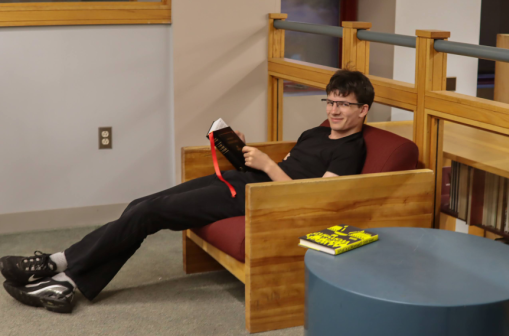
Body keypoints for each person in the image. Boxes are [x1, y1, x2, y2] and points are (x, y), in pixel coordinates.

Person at [0, 69, 374, 313]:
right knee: (141, 204)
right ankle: (64, 276)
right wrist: (238, 149)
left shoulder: (350, 149)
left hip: (263, 201)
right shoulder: (315, 132)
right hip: (250, 182)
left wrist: (267, 166)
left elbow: (311, 200)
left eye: (344, 104)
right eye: (330, 100)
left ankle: (58, 268)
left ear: (364, 110)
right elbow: (289, 170)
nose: (335, 109)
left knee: (149, 216)